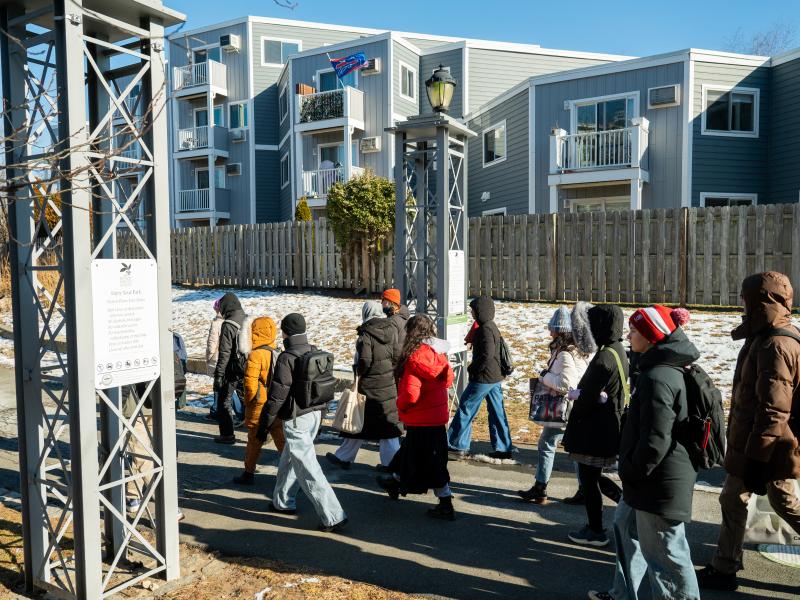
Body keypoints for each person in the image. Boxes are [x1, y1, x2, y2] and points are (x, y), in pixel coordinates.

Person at [589, 305, 700, 600]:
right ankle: (623, 593)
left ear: (651, 336)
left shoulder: (658, 377)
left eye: (635, 331)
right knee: (625, 527)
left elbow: (656, 439)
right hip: (647, 477)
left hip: (658, 481)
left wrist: (630, 470)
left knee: (667, 556)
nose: (629, 335)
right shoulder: (653, 368)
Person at [698, 272, 800, 592]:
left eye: (745, 298)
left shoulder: (777, 344)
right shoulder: (763, 334)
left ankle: (725, 566)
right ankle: (724, 566)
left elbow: (774, 408)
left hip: (768, 443)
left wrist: (757, 460)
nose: (741, 302)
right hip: (754, 441)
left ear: (762, 301)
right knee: (733, 498)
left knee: (782, 502)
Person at [257, 313, 348, 532]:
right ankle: (282, 501)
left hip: (297, 418)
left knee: (307, 468)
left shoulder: (286, 358)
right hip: (315, 414)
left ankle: (333, 515)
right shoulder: (313, 350)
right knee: (291, 458)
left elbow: (277, 396)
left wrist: (264, 424)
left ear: (285, 332)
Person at [377, 314, 456, 520]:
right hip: (436, 417)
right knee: (414, 455)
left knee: (429, 462)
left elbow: (412, 394)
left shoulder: (414, 357)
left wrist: (400, 404)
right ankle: (394, 481)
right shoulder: (437, 354)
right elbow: (445, 382)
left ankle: (446, 502)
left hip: (420, 419)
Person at [563, 302, 627, 547]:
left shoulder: (603, 358)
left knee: (589, 480)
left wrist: (576, 396)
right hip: (609, 424)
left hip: (596, 429)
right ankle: (621, 505)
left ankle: (596, 529)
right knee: (593, 476)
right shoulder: (617, 349)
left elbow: (589, 397)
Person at [518, 306, 590, 504]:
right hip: (574, 407)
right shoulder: (576, 351)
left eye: (552, 328)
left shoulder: (565, 353)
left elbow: (567, 384)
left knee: (547, 444)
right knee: (575, 450)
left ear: (560, 331)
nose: (549, 331)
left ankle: (541, 488)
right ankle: (584, 489)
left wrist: (544, 376)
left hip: (563, 408)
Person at [327, 301, 403, 470]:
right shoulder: (391, 330)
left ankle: (394, 466)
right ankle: (344, 457)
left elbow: (365, 360)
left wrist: (358, 371)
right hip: (388, 384)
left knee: (361, 420)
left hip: (369, 385)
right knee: (382, 424)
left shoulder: (365, 334)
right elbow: (397, 355)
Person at [447, 296, 514, 460]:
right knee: (497, 412)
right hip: (495, 377)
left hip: (484, 378)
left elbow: (487, 355)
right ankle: (503, 447)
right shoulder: (491, 326)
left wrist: (473, 368)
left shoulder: (484, 329)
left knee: (466, 408)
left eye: (473, 310)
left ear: (480, 311)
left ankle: (456, 445)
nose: (471, 313)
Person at [232, 315, 286, 485]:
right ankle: (292, 475)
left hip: (259, 404)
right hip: (275, 402)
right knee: (281, 440)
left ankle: (248, 473)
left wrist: (249, 402)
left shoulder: (255, 355)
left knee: (254, 440)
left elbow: (249, 383)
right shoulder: (276, 352)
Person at [212, 292, 246, 444]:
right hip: (247, 366)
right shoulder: (247, 319)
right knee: (249, 399)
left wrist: (219, 375)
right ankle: (260, 433)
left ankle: (227, 435)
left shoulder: (229, 324)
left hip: (232, 369)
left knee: (224, 401)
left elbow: (224, 353)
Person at [205, 297, 224, 421]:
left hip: (216, 358)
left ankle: (216, 410)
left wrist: (209, 356)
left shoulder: (216, 323)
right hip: (226, 357)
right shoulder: (229, 321)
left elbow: (212, 342)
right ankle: (218, 409)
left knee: (218, 386)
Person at [382, 288, 410, 360]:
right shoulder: (404, 316)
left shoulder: (392, 321)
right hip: (404, 358)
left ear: (389, 302)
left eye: (383, 300)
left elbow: (392, 346)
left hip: (396, 362)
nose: (381, 303)